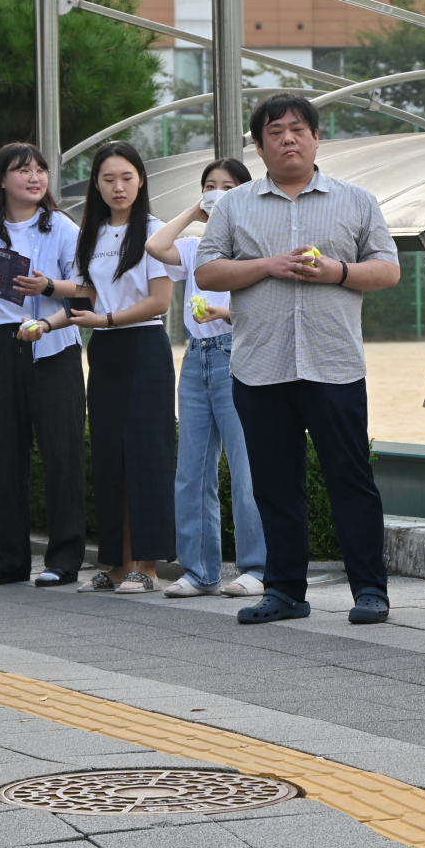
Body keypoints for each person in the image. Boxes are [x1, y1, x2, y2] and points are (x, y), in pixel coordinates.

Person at [195, 94, 401, 626]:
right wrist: (267, 265)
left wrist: (337, 271)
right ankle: (285, 590)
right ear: (259, 145)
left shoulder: (356, 200)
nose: (288, 139)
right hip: (260, 368)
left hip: (333, 365)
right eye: (274, 132)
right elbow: (207, 273)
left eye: (297, 129)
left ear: (316, 137)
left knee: (351, 480)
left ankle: (370, 591)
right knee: (274, 484)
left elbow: (387, 270)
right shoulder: (235, 204)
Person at [0, 142, 88, 588]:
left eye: (40, 170)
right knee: (5, 456)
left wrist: (47, 285)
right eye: (23, 170)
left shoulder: (63, 227)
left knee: (61, 454)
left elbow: (85, 290)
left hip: (52, 345)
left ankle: (64, 560)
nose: (35, 177)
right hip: (1, 351)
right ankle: (8, 561)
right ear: (3, 180)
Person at [144, 158, 265, 600]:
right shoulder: (196, 247)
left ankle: (257, 567)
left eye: (227, 186)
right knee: (191, 469)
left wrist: (225, 313)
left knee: (246, 466)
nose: (216, 193)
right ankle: (199, 571)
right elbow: (156, 246)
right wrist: (194, 213)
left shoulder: (254, 245)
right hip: (196, 358)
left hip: (238, 354)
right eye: (209, 186)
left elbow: (267, 309)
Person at [71, 143, 177, 595]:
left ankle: (147, 567)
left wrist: (107, 320)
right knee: (110, 453)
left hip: (144, 345)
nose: (118, 186)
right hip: (105, 348)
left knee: (145, 454)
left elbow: (159, 301)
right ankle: (117, 563)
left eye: (127, 177)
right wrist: (48, 321)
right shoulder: (90, 234)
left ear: (141, 181)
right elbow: (88, 297)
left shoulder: (153, 232)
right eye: (109, 178)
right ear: (96, 184)